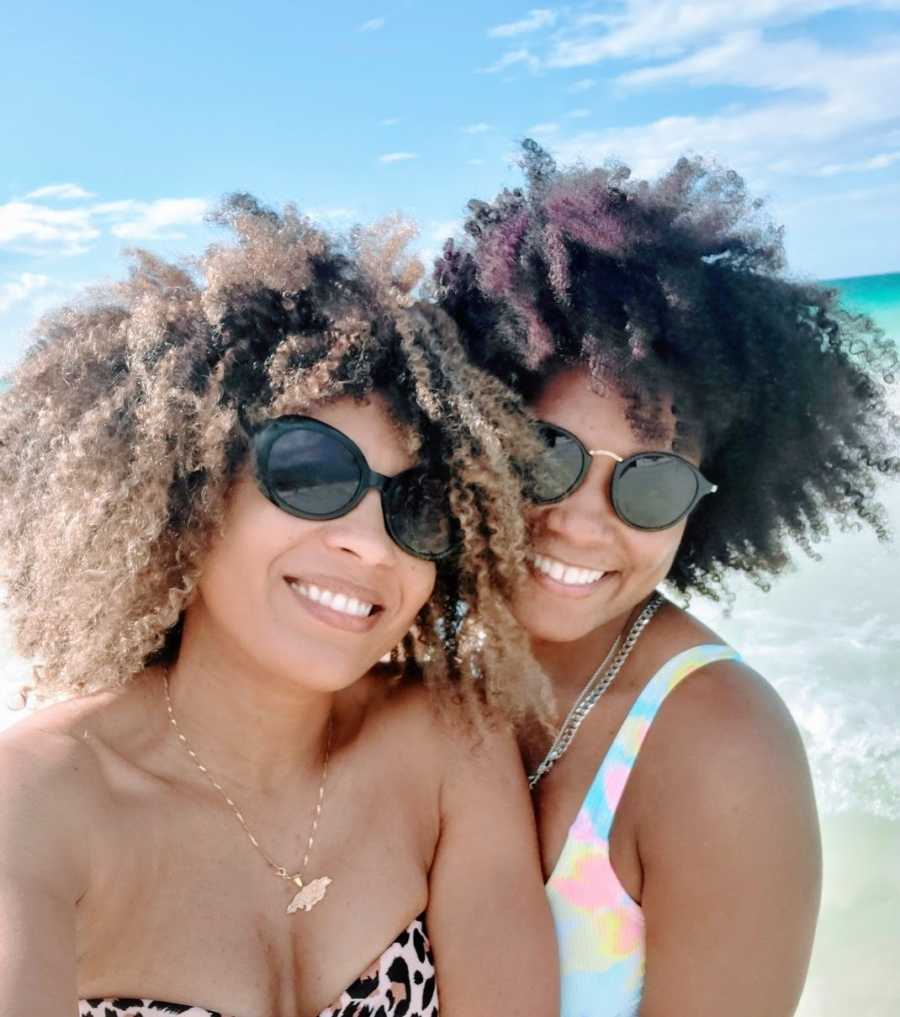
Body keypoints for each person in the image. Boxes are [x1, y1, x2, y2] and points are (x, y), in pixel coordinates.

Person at [0, 197, 558, 1017]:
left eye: (420, 506)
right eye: (310, 474)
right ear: (188, 487)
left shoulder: (452, 747)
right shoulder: (38, 805)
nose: (371, 545)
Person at [434, 141, 900, 1017]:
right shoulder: (411, 641)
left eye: (651, 483)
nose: (580, 518)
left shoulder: (723, 752)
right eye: (548, 455)